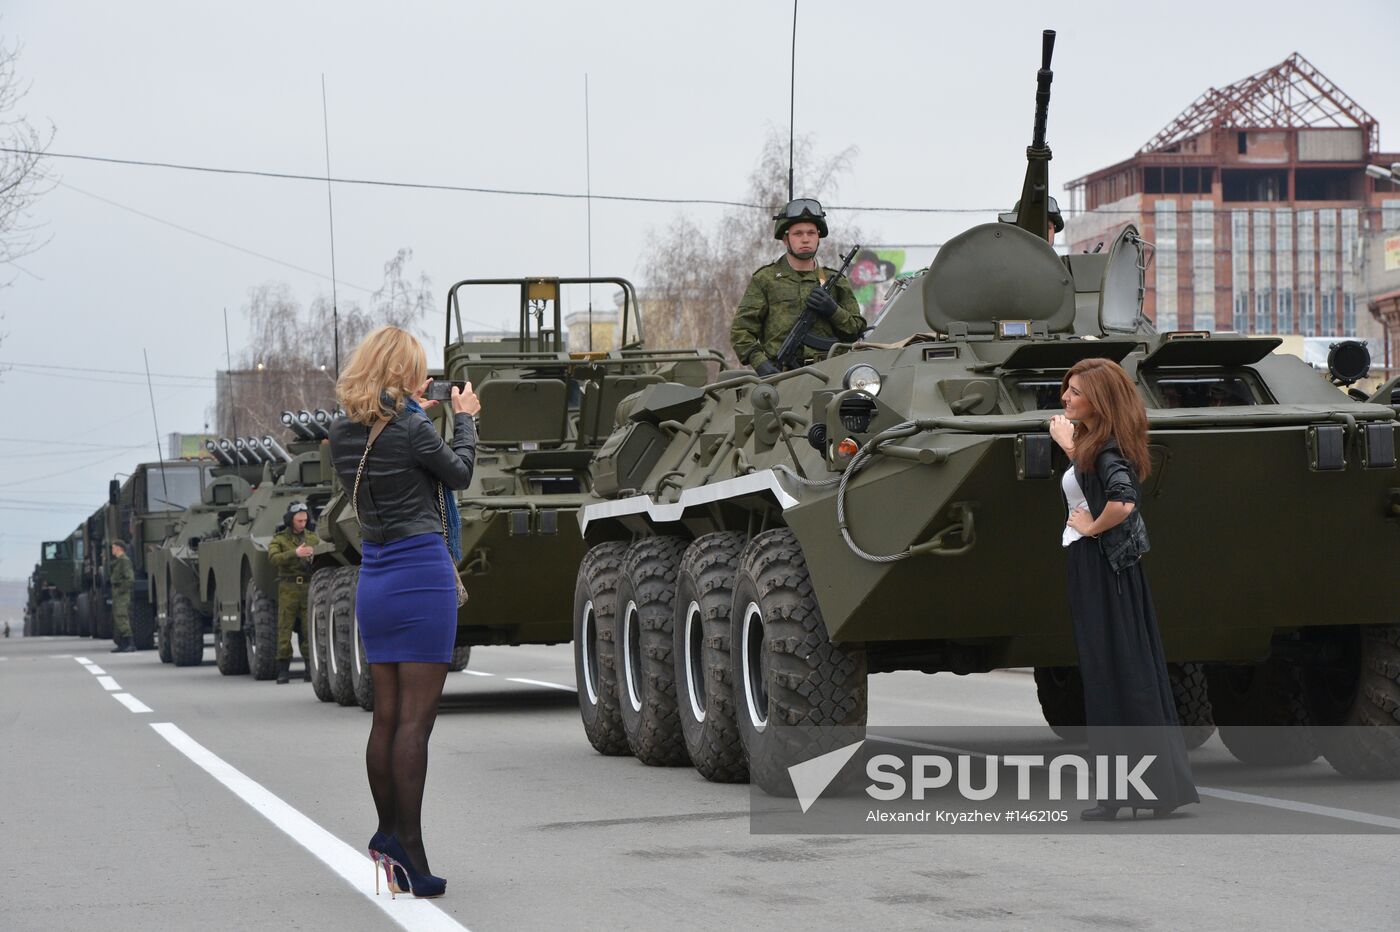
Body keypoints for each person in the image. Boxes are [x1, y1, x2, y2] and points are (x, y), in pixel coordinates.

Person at [329, 326, 480, 899]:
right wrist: (465, 417)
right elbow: (458, 473)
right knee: (416, 725)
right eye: (417, 371)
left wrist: (412, 409)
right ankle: (409, 851)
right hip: (421, 575)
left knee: (386, 720)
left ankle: (389, 835)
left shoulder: (342, 430)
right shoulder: (413, 425)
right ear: (401, 372)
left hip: (376, 577)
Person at [1049, 358, 1198, 821]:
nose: (1065, 398)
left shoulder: (1108, 449)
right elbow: (1097, 475)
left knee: (1116, 673)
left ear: (1100, 399)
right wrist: (1071, 446)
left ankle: (1137, 792)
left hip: (1101, 568)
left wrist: (1091, 527)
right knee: (1115, 673)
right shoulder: (1098, 444)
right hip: (1099, 567)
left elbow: (1123, 500)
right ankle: (1134, 792)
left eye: (1074, 392)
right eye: (1067, 390)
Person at [731, 198, 867, 375]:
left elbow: (857, 331)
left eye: (811, 233)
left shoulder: (835, 280)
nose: (805, 239)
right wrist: (761, 364)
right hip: (782, 376)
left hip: (831, 374)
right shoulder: (766, 279)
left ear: (818, 237)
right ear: (785, 239)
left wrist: (833, 310)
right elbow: (741, 331)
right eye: (798, 234)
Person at [268, 501, 322, 684]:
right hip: (288, 588)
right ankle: (283, 670)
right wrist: (295, 553)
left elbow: (323, 553)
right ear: (291, 521)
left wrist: (314, 554)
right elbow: (274, 558)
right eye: (299, 520)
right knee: (285, 629)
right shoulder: (280, 539)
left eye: (305, 520)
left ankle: (309, 669)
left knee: (308, 629)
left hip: (308, 587)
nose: (302, 524)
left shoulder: (313, 538)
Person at [108, 540, 135, 653]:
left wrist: (121, 590)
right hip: (117, 594)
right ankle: (122, 644)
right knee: (118, 618)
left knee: (122, 617)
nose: (112, 550)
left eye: (114, 547)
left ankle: (130, 643)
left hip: (122, 594)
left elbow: (130, 579)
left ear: (119, 548)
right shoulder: (118, 561)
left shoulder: (124, 561)